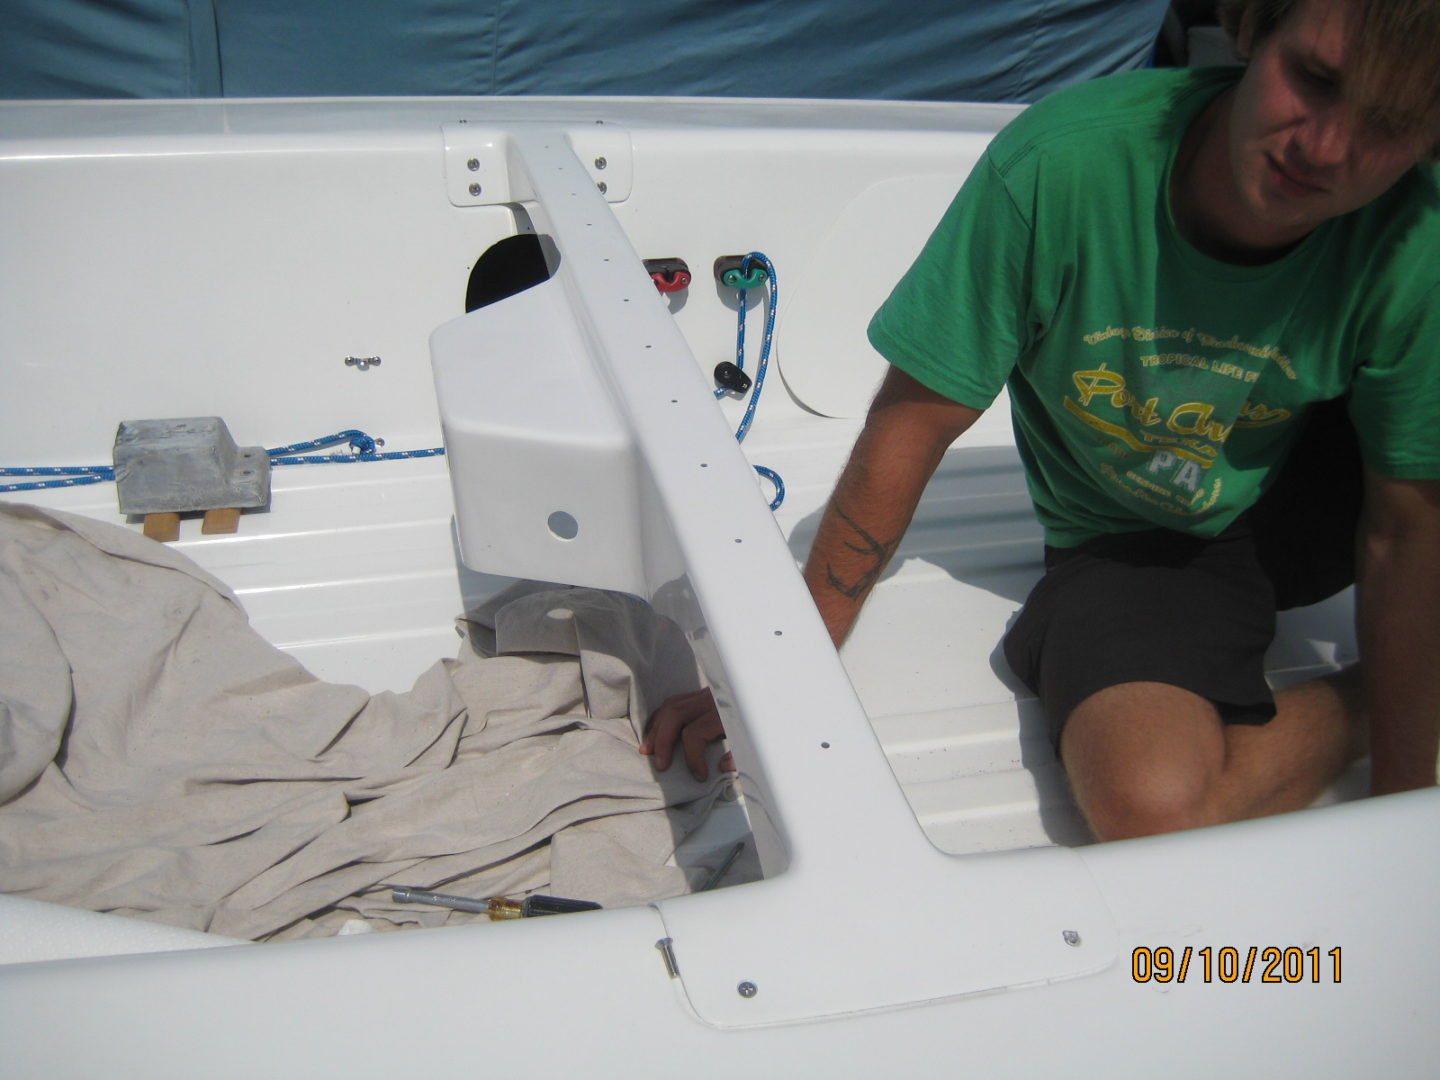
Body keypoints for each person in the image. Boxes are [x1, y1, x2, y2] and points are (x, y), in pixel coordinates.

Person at [646, 0, 1440, 840]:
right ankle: (1379, 695)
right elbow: (910, 428)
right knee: (1151, 812)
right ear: (1251, 29)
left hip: (1343, 483)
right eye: (1314, 79)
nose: (1323, 148)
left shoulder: (1414, 237)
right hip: (1155, 534)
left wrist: (1404, 809)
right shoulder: (1063, 169)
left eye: (1388, 124)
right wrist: (772, 683)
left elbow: (1406, 525)